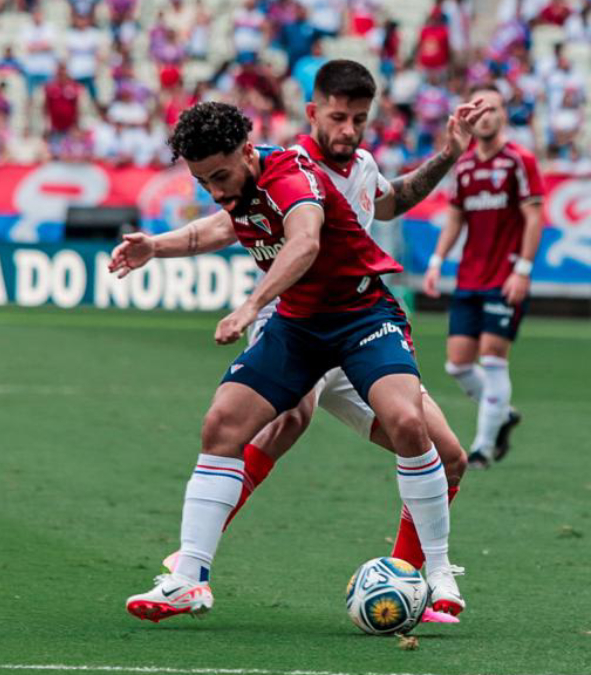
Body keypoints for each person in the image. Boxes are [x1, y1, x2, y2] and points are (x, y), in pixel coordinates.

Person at [156, 59, 487, 624]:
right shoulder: (288, 166)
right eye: (339, 117)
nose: (349, 130)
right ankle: (190, 564)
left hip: (359, 319)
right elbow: (235, 225)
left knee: (447, 454)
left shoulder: (359, 164)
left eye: (359, 118)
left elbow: (389, 202)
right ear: (314, 112)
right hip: (299, 317)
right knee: (274, 418)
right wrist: (167, 252)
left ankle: (411, 579)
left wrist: (450, 154)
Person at [423, 85, 545, 468]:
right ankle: (503, 413)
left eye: (492, 108)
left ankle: (482, 447)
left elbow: (534, 215)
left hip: (504, 276)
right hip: (470, 277)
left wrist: (522, 270)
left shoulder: (519, 160)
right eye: (478, 110)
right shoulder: (465, 166)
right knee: (457, 364)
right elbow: (456, 217)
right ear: (468, 119)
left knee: (493, 359)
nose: (486, 116)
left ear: (503, 114)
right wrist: (436, 260)